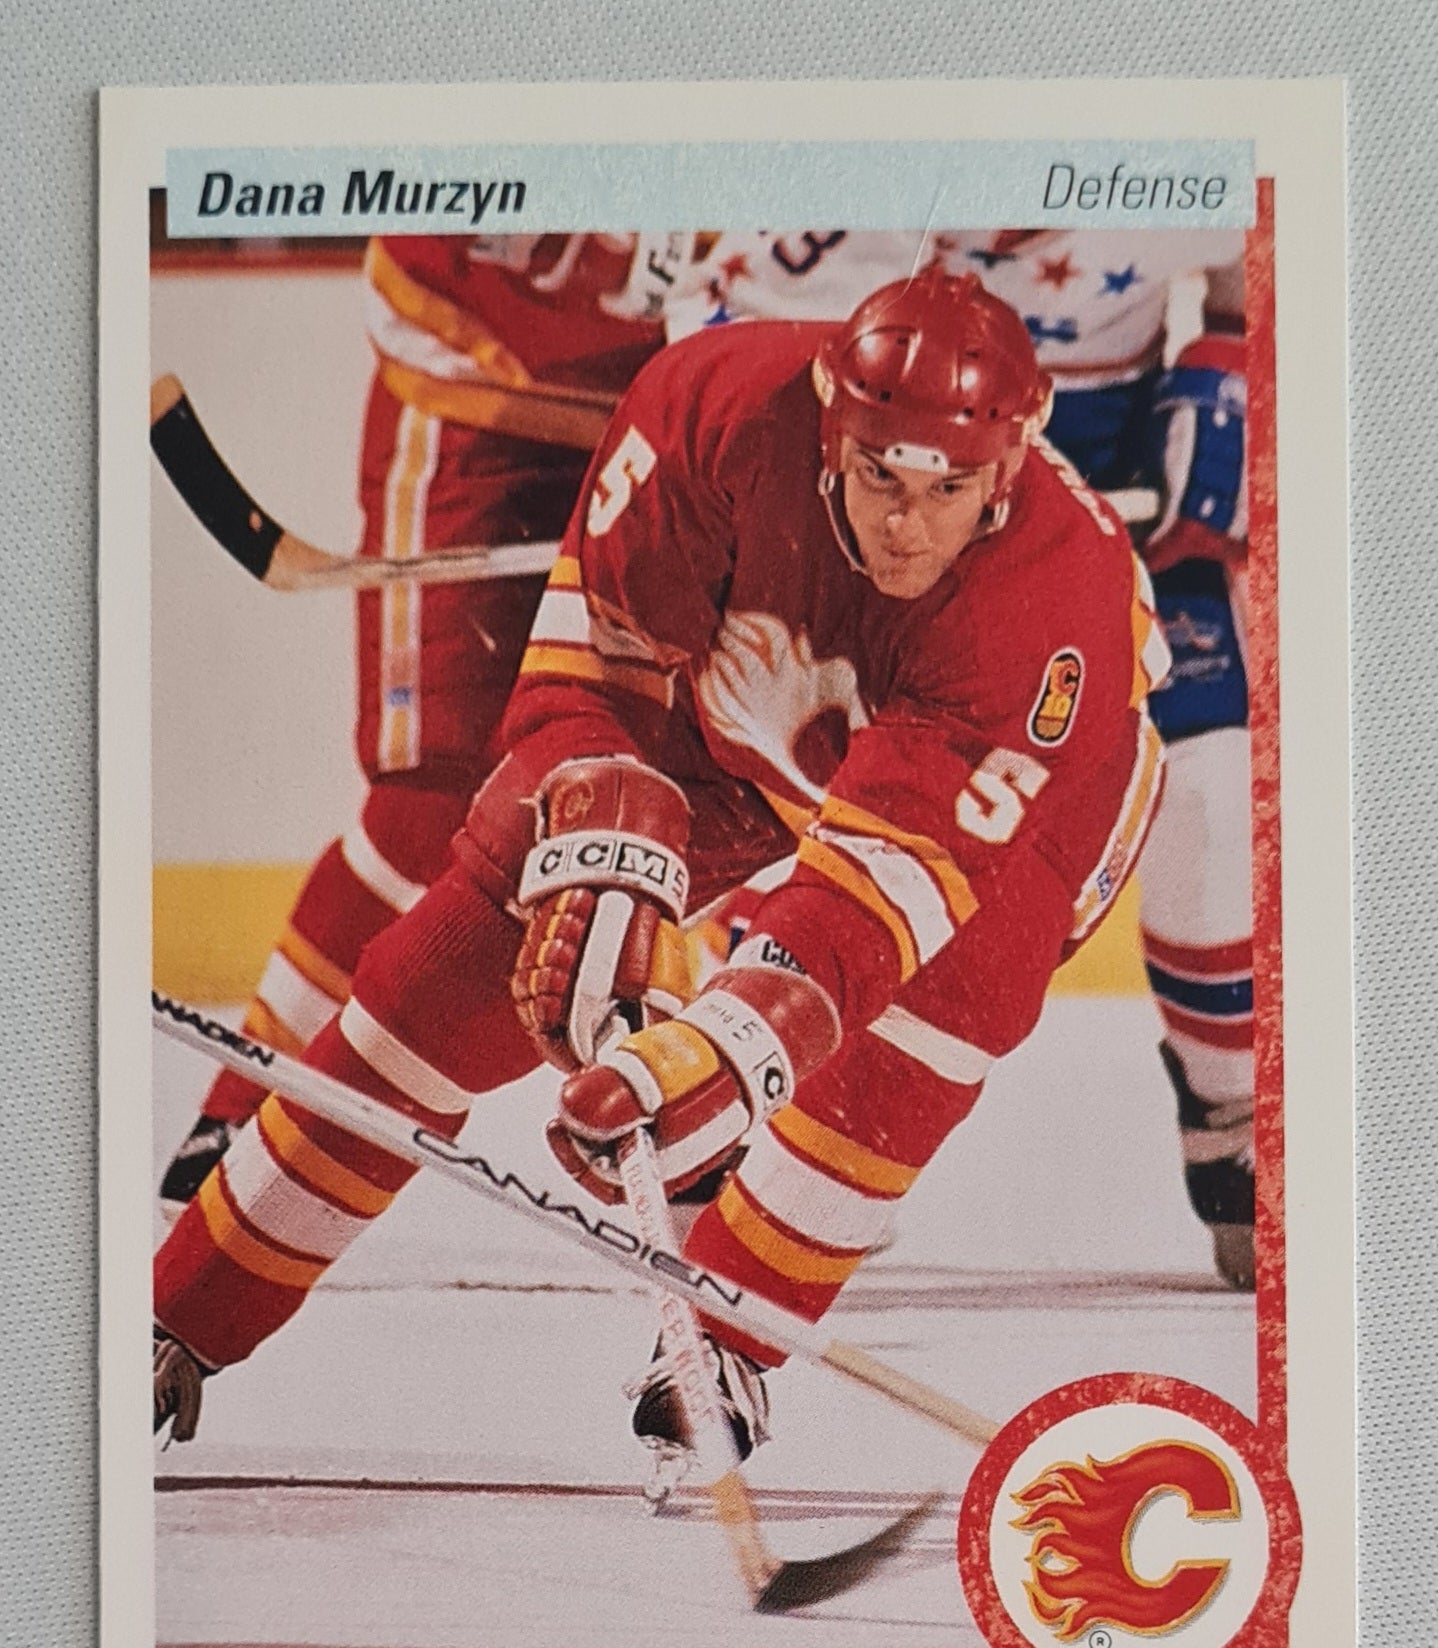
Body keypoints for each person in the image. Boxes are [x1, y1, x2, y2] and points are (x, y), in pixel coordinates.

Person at [153, 271, 1170, 1470]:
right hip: (744, 727)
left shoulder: (1050, 606)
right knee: (453, 964)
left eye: (947, 490)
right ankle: (179, 1311)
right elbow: (586, 680)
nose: (908, 523)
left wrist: (709, 1060)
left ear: (1005, 468)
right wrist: (604, 830)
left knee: (936, 1019)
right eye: (881, 477)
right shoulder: (711, 407)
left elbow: (855, 925)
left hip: (1031, 811)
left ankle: (728, 1332)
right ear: (833, 426)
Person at [671, 228, 1255, 1285]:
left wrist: (1230, 379)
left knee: (1213, 802)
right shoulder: (851, 183)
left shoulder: (1169, 152)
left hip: (1108, 514)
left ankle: (1234, 1114)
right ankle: (789, 1094)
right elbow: (716, 341)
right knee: (803, 772)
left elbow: (1267, 260)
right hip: (876, 519)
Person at [159, 231, 683, 1214]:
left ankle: (686, 1132)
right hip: (476, 397)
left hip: (677, 423)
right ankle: (241, 1109)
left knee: (684, 778)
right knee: (428, 803)